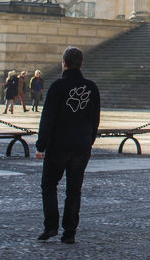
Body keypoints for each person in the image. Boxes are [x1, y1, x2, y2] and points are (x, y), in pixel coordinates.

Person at [36, 46, 101, 245]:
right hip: (81, 146)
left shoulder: (57, 86)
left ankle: (51, 226)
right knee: (74, 190)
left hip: (59, 145)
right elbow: (95, 118)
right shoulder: (91, 87)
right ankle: (70, 232)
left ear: (63, 63)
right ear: (81, 63)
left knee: (49, 185)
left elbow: (48, 118)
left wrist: (41, 145)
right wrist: (88, 140)